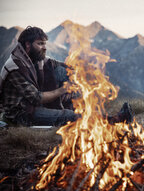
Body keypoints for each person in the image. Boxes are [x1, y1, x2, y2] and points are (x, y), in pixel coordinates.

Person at [0, 26, 133, 126]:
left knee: (62, 73)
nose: (44, 47)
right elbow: (36, 98)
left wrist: (80, 73)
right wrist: (62, 90)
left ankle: (89, 109)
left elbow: (58, 65)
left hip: (31, 104)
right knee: (67, 115)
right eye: (40, 44)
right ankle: (114, 120)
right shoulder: (15, 67)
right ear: (28, 45)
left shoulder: (33, 57)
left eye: (44, 44)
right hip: (22, 113)